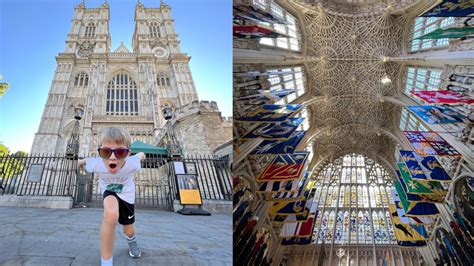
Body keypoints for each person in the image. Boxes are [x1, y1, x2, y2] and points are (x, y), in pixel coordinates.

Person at [78, 127, 146, 266]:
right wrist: (75, 164)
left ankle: (131, 240)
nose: (112, 157)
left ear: (128, 153)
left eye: (120, 152)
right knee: (110, 213)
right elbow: (83, 161)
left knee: (128, 229)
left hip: (126, 194)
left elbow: (140, 155)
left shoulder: (132, 162)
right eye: (105, 152)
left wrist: (142, 154)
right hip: (109, 191)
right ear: (99, 153)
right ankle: (106, 262)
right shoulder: (96, 163)